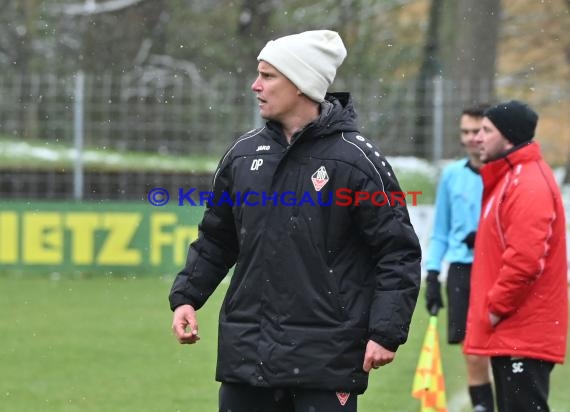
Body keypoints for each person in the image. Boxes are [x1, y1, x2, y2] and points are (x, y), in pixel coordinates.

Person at [168, 30, 422, 412]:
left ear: (302, 84)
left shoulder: (355, 161)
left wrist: (386, 331)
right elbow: (217, 239)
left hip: (327, 358)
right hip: (248, 354)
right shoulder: (242, 155)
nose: (255, 86)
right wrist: (187, 297)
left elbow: (397, 253)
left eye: (268, 76)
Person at [464, 100, 568, 412]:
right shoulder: (512, 177)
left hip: (521, 330)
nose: (477, 138)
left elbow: (525, 260)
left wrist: (495, 308)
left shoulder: (528, 182)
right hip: (513, 331)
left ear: (508, 136)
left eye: (486, 130)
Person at [425, 104, 495, 412]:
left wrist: (486, 239)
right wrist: (430, 274)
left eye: (477, 131)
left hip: (499, 269)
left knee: (503, 348)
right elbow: (440, 231)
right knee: (473, 349)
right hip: (462, 271)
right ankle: (483, 407)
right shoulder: (452, 176)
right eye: (465, 131)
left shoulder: (506, 172)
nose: (470, 138)